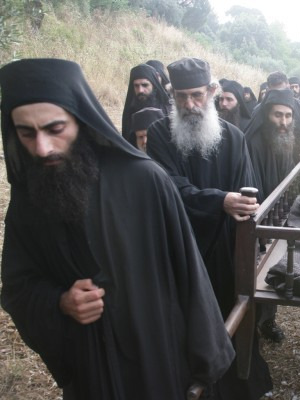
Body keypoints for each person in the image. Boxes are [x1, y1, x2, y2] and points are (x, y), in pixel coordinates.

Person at [0, 58, 235, 400]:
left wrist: (205, 365)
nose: (42, 147)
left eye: (54, 129)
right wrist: (60, 302)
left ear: (80, 119)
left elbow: (189, 275)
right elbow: (18, 285)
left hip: (157, 358)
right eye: (26, 133)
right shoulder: (29, 195)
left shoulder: (145, 180)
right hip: (89, 366)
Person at [146, 57, 272, 400]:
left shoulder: (233, 138)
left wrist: (236, 207)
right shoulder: (159, 134)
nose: (190, 105)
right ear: (172, 96)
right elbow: (167, 188)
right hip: (179, 245)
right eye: (182, 97)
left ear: (212, 92)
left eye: (197, 95)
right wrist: (219, 201)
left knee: (228, 314)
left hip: (224, 249)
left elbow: (246, 191)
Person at [245, 88, 297, 344]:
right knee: (253, 277)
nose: (284, 122)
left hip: (277, 216)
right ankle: (250, 327)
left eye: (288, 116)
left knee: (272, 272)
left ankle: (267, 322)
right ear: (267, 115)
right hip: (258, 219)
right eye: (278, 115)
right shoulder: (252, 143)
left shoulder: (285, 138)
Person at [249, 71, 300, 162]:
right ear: (268, 90)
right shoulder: (259, 111)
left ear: (288, 87)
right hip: (268, 166)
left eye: (282, 91)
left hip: (298, 169)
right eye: (274, 92)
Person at [121, 63, 170, 144]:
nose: (140, 90)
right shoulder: (130, 112)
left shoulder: (168, 110)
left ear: (154, 85)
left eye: (145, 85)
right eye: (136, 86)